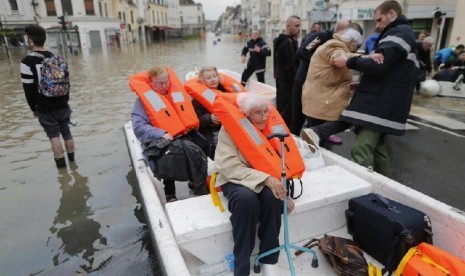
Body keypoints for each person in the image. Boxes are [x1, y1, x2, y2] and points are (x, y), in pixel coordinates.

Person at [304, 0, 419, 177]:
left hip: (380, 103)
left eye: (379, 20)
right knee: (375, 146)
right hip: (381, 101)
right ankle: (387, 186)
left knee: (361, 146)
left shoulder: (398, 33)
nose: (377, 26)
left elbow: (381, 65)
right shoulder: (399, 33)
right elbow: (379, 65)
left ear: (392, 14)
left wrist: (351, 61)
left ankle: (365, 190)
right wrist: (362, 59)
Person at [214, 93, 295, 276]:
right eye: (258, 113)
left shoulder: (272, 130)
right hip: (235, 178)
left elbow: (282, 165)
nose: (264, 117)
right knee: (246, 200)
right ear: (246, 115)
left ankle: (269, 260)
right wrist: (265, 179)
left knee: (273, 198)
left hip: (268, 180)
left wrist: (285, 192)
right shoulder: (229, 130)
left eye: (266, 112)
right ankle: (242, 266)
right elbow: (228, 166)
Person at [129, 66, 209, 202]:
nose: (165, 85)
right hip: (161, 139)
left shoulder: (177, 93)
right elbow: (139, 126)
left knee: (200, 145)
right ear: (151, 82)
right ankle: (170, 192)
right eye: (160, 83)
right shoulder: (142, 102)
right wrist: (161, 133)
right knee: (169, 154)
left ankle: (194, 181)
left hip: (183, 133)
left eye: (167, 81)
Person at [20, 24, 75, 168]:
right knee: (67, 133)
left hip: (45, 106)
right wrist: (65, 101)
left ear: (30, 39)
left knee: (53, 136)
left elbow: (29, 89)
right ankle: (73, 163)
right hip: (62, 103)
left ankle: (62, 170)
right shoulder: (57, 58)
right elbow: (67, 83)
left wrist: (34, 108)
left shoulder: (27, 62)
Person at [301, 28, 364, 146]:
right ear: (352, 42)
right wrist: (367, 58)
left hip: (318, 97)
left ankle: (314, 159)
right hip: (322, 99)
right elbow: (338, 58)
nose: (357, 50)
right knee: (344, 122)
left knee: (315, 137)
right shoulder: (336, 46)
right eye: (357, 47)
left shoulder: (332, 44)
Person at [185, 66, 246, 159]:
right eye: (209, 78)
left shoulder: (227, 91)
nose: (213, 80)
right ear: (202, 81)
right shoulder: (197, 99)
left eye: (214, 76)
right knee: (218, 145)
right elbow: (197, 121)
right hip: (212, 129)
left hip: (233, 124)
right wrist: (209, 118)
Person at [274, 15, 301, 128]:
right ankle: (285, 134)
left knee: (281, 107)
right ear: (288, 26)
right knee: (287, 110)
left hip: (280, 78)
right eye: (296, 26)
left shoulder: (280, 40)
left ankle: (280, 130)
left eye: (300, 26)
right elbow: (291, 65)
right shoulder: (289, 42)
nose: (299, 28)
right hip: (287, 81)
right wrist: (296, 82)